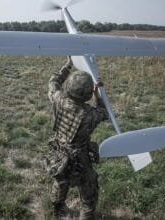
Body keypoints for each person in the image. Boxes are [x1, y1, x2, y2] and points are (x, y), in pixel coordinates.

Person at [46, 57, 108, 219]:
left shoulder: (58, 99)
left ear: (69, 87)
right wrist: (98, 94)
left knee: (60, 182)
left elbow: (53, 81)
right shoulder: (89, 115)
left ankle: (58, 210)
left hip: (58, 152)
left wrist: (68, 65)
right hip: (80, 157)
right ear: (87, 94)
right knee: (89, 192)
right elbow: (103, 111)